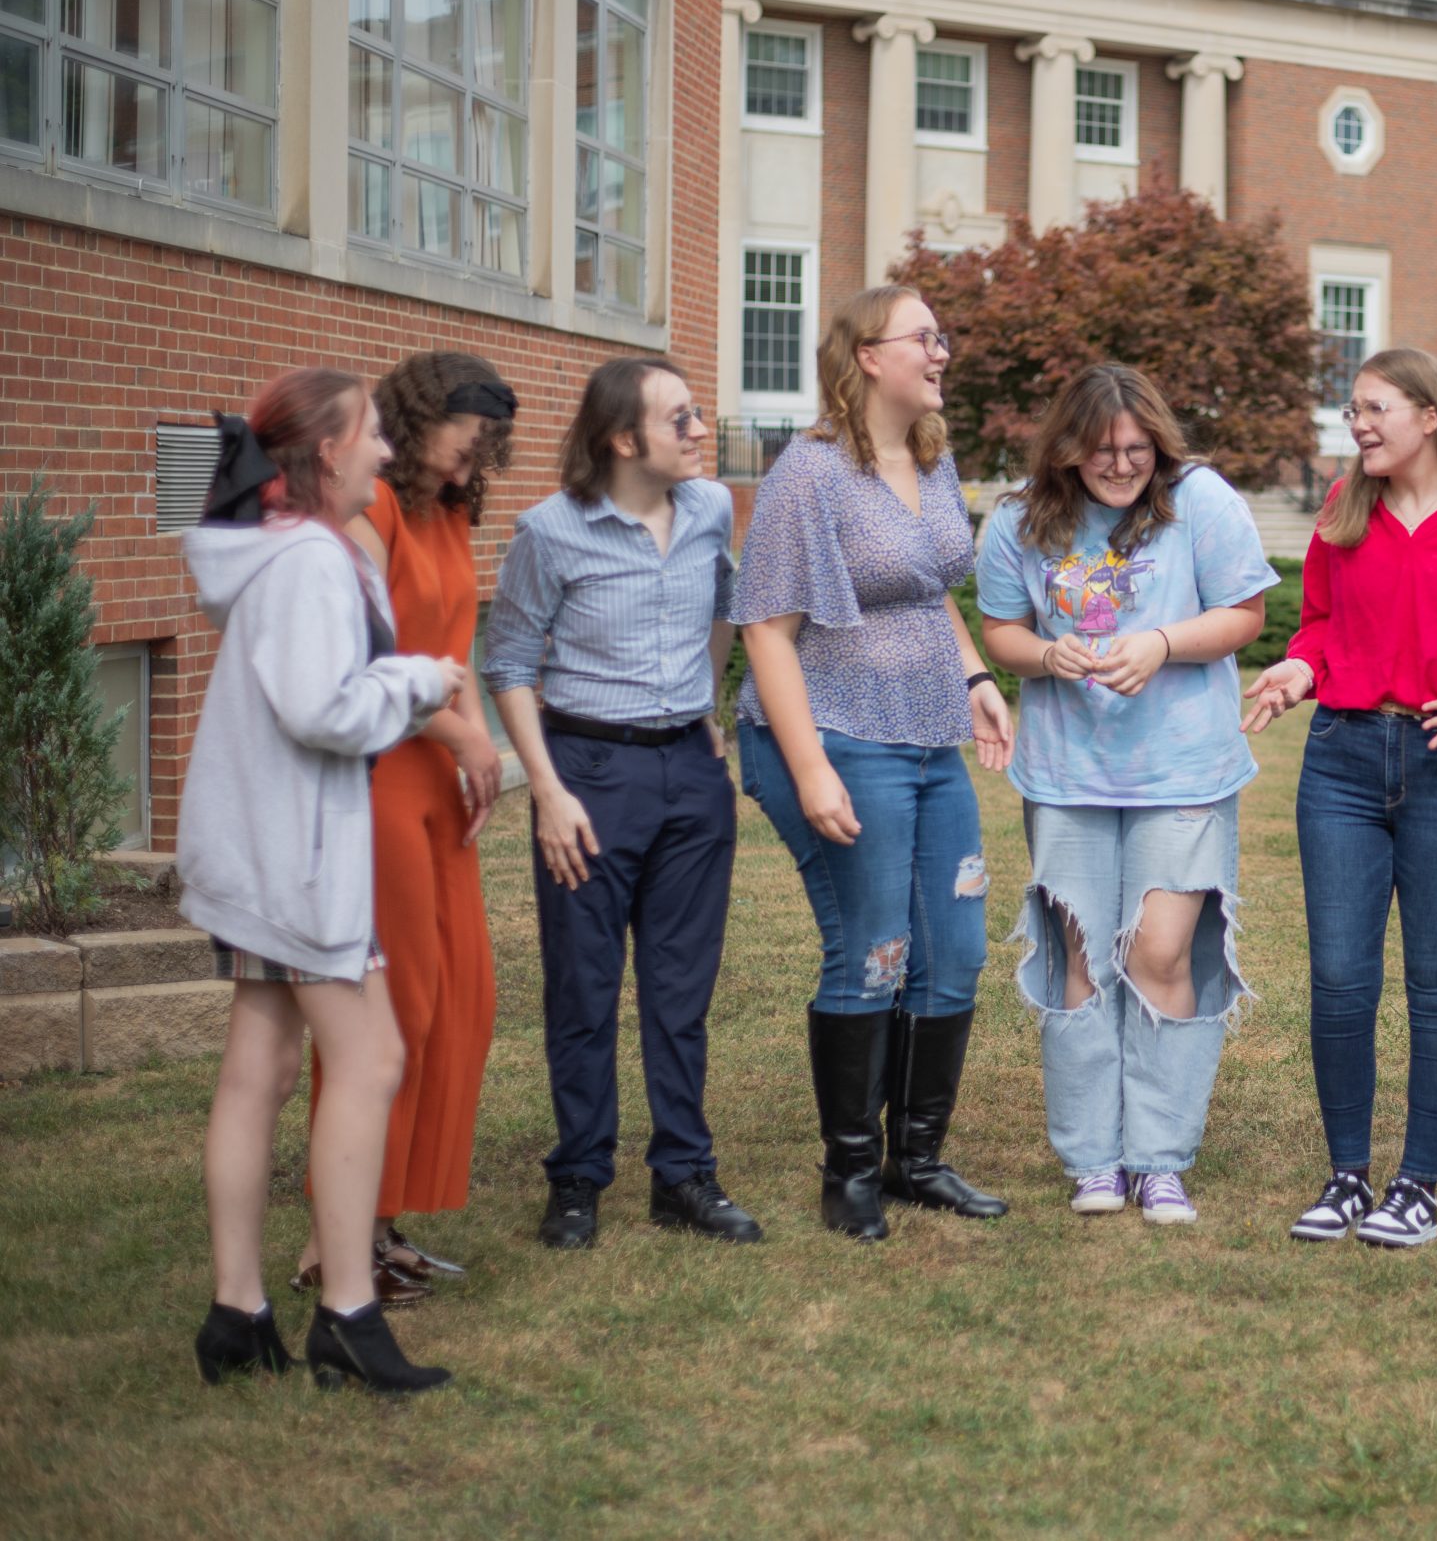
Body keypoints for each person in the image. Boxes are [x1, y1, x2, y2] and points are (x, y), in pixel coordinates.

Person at [182, 368, 468, 1392]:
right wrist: (421, 679)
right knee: (375, 1056)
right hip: (297, 864)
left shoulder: (273, 551)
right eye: (371, 438)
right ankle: (346, 1309)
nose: (387, 453)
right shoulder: (310, 559)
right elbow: (324, 709)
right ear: (324, 454)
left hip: (258, 852)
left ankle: (236, 1312)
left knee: (258, 1066)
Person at [732, 284, 1015, 1244]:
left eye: (943, 337)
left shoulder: (931, 459)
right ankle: (849, 1169)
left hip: (932, 729)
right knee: (875, 948)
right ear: (866, 355)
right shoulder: (808, 474)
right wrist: (811, 769)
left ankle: (918, 1160)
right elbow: (767, 633)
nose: (942, 352)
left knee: (960, 947)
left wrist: (974, 671)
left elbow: (931, 589)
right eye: (925, 338)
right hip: (840, 730)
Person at [1242, 349, 1437, 1248]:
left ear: (1429, 415)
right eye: (1354, 411)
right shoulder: (1346, 505)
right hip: (1341, 758)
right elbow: (1324, 621)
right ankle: (1345, 1176)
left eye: (1374, 408)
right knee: (1340, 978)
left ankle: (1417, 1183)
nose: (1358, 424)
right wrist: (1300, 664)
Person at [976, 363, 1277, 1227]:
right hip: (1068, 776)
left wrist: (1162, 643)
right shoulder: (1017, 523)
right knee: (1079, 959)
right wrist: (1046, 656)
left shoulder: (1202, 501)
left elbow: (1247, 613)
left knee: (1159, 954)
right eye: (1103, 451)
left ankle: (1160, 1158)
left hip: (1182, 770)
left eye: (1138, 450)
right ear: (1067, 448)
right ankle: (1093, 1159)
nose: (1121, 466)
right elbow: (1002, 631)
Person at [484, 357, 762, 1251]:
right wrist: (549, 791)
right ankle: (577, 1180)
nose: (697, 431)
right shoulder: (551, 531)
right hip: (588, 774)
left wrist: (709, 709)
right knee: (583, 986)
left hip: (688, 772)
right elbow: (511, 662)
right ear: (620, 438)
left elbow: (726, 604)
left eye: (697, 416)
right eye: (678, 419)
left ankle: (683, 1174)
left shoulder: (711, 508)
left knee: (681, 989)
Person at [291, 353, 511, 1307]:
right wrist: (468, 734)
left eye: (484, 449)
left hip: (443, 785)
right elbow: (376, 653)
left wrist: (468, 745)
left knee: (462, 1000)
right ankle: (332, 1239)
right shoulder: (369, 508)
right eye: (466, 440)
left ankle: (385, 1221)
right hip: (386, 777)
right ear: (424, 420)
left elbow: (454, 648)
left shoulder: (449, 510)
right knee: (397, 1009)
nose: (473, 462)